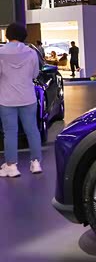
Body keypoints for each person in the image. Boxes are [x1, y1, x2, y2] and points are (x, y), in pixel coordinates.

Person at [0, 23, 43, 177]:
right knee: (32, 130)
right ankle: (36, 163)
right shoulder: (31, 53)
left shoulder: (1, 52)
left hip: (7, 98)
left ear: (7, 35)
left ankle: (11, 166)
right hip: (28, 97)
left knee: (10, 132)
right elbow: (35, 74)